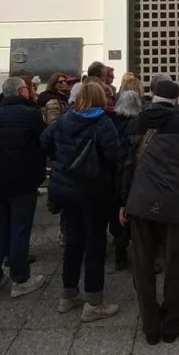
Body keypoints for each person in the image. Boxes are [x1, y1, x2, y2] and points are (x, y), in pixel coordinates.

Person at [120, 77, 179, 344]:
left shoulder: (136, 122)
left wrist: (124, 201)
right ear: (176, 97)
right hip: (174, 203)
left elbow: (126, 165)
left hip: (140, 202)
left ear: (152, 95)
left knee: (142, 265)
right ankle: (172, 320)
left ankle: (150, 325)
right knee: (176, 264)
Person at [44, 79, 122, 322]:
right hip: (94, 191)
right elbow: (114, 156)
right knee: (95, 243)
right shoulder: (102, 123)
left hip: (68, 190)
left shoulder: (65, 119)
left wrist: (61, 159)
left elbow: (45, 141)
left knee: (73, 241)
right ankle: (93, 300)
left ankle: (68, 295)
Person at [0, 77, 47, 299]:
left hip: (0, 179)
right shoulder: (31, 114)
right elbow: (43, 141)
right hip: (24, 179)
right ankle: (20, 278)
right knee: (20, 229)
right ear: (21, 91)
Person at [111, 78, 144, 270]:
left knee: (119, 211)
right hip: (134, 173)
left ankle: (120, 252)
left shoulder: (112, 121)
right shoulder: (139, 123)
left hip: (118, 172)